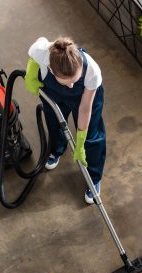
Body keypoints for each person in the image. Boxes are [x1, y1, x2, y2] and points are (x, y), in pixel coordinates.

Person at [24, 36, 106, 204]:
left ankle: (94, 177)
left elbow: (85, 109)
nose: (70, 86)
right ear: (50, 68)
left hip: (85, 98)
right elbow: (36, 46)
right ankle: (56, 149)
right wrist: (31, 74)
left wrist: (81, 142)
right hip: (53, 91)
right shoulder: (42, 52)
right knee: (53, 120)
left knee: (91, 134)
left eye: (74, 81)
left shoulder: (92, 72)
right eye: (66, 82)